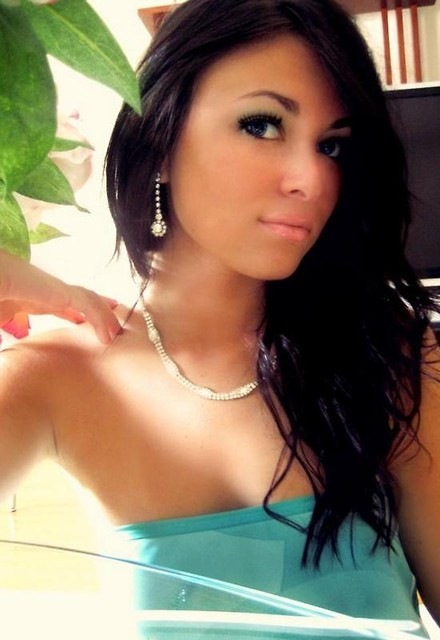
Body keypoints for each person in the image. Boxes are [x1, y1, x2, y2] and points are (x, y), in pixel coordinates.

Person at [0, 0, 439, 635]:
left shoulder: (388, 354)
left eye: (332, 145)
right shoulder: (53, 376)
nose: (312, 178)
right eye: (262, 124)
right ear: (160, 137)